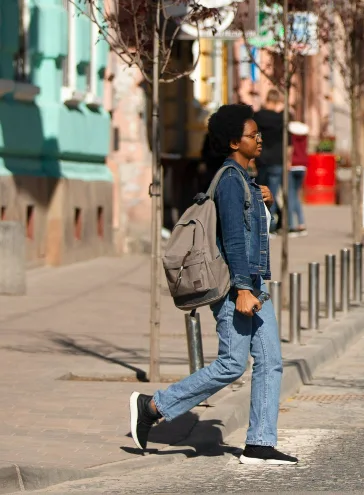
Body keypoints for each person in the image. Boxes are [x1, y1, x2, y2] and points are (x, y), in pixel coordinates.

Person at [128, 104, 298, 465]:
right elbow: (235, 240)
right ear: (235, 141)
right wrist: (242, 289)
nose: (260, 139)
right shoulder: (232, 182)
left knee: (270, 361)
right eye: (253, 135)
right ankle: (154, 405)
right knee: (232, 364)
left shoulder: (246, 181)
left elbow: (261, 231)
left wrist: (269, 203)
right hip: (236, 287)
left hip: (253, 282)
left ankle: (260, 443)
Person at [253, 89, 286, 233]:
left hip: (262, 158)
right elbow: (287, 140)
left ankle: (268, 224)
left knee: (261, 192)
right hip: (278, 159)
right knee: (272, 192)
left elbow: (254, 137)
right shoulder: (281, 119)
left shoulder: (258, 117)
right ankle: (272, 224)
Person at [286, 121, 309, 236]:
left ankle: (291, 225)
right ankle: (301, 223)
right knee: (296, 195)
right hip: (303, 166)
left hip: (292, 165)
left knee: (290, 195)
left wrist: (288, 161)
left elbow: (290, 150)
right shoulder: (304, 135)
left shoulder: (291, 135)